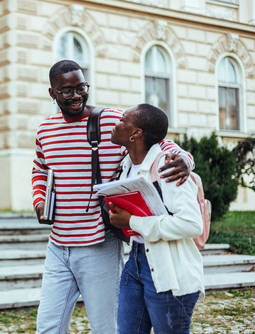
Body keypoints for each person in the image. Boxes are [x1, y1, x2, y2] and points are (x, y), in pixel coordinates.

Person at [31, 59, 195, 334]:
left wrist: (186, 160)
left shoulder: (109, 121)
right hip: (58, 245)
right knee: (47, 326)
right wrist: (39, 201)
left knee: (106, 327)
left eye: (81, 87)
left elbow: (158, 143)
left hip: (99, 244)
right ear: (52, 94)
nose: (77, 95)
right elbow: (40, 169)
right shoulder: (45, 131)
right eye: (67, 91)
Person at [108, 103, 204, 334]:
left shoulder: (167, 167)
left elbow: (191, 224)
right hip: (136, 261)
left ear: (136, 133)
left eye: (122, 120)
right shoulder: (127, 164)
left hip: (171, 268)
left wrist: (131, 222)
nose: (115, 124)